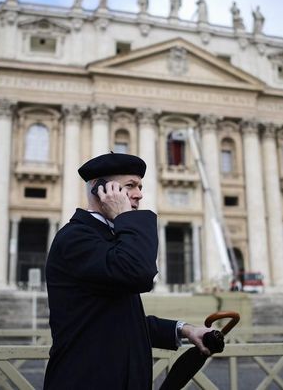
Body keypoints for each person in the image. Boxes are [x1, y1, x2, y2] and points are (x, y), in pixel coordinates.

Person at [44, 152, 214, 389]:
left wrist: (184, 330)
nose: (139, 194)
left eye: (140, 186)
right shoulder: (76, 238)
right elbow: (139, 273)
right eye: (130, 185)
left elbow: (117, 319)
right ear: (100, 189)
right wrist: (125, 215)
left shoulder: (109, 238)